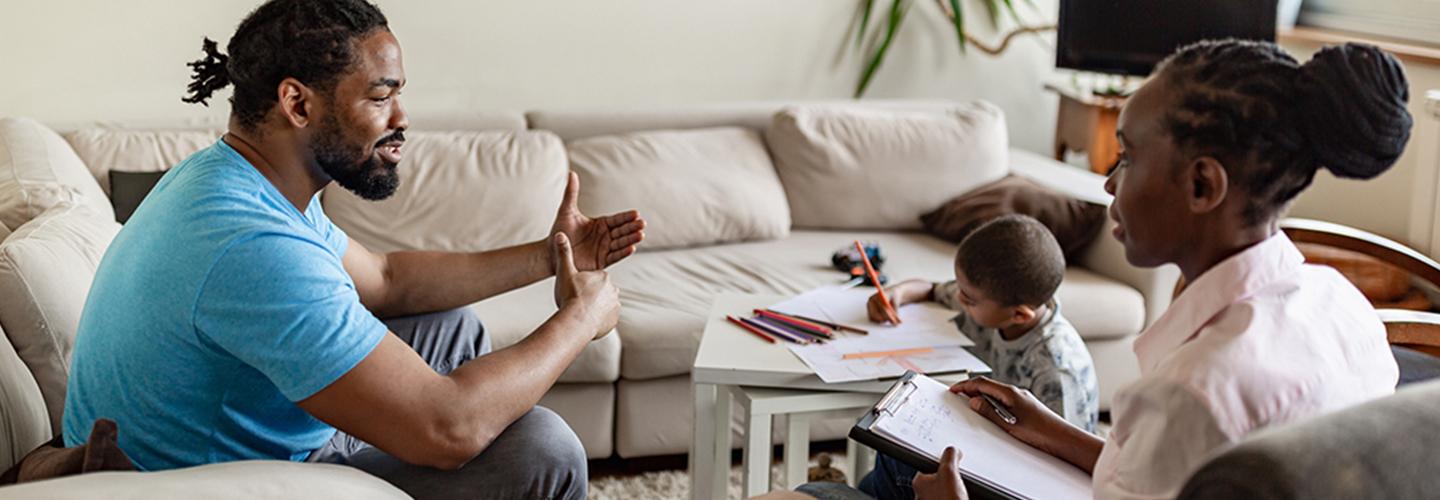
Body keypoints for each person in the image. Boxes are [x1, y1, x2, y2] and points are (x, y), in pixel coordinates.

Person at [61, 1, 645, 498]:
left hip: (246, 432)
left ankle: (408, 422)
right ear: (298, 104)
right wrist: (582, 317)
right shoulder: (250, 243)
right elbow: (449, 428)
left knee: (447, 326)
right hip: (221, 480)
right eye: (379, 97)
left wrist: (553, 254)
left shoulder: (239, 180)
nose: (402, 118)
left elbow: (388, 280)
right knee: (542, 449)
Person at [801, 38, 1411, 500]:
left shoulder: (1191, 394)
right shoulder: (1341, 304)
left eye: (1127, 156)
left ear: (1202, 184)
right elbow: (1182, 477)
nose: (1108, 181)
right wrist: (1051, 430)